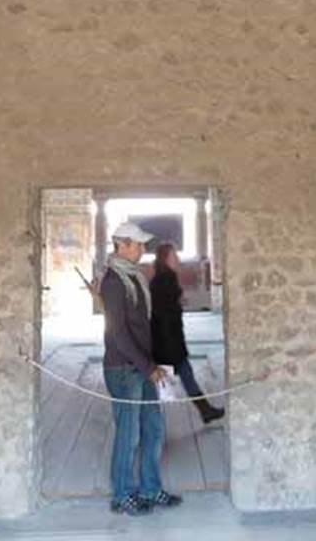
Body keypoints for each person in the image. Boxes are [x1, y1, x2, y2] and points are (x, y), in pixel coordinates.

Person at [100, 221, 183, 516]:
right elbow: (119, 334)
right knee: (129, 434)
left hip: (144, 366)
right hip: (124, 369)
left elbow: (140, 327)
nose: (143, 249)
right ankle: (122, 494)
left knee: (154, 428)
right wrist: (148, 367)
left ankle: (150, 488)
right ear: (122, 244)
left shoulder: (134, 277)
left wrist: (153, 363)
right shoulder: (113, 281)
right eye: (137, 244)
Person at [150, 243, 225, 424]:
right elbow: (164, 313)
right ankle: (154, 426)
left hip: (166, 339)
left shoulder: (162, 278)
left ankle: (205, 410)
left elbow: (165, 307)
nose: (177, 259)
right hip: (168, 341)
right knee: (163, 384)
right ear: (166, 259)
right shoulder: (166, 279)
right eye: (174, 256)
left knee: (180, 377)